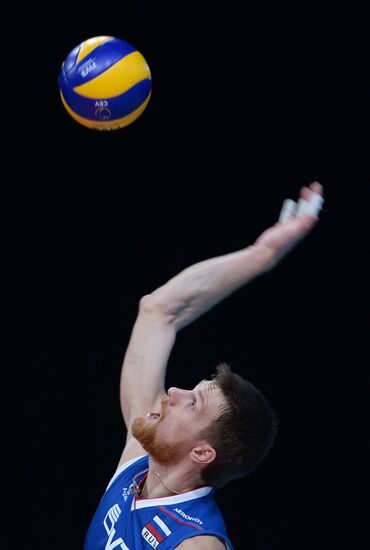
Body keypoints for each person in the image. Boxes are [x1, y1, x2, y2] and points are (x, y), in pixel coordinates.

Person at [84, 182, 324, 549]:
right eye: (191, 392)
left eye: (193, 404)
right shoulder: (138, 461)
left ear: (201, 453)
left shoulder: (196, 543)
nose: (174, 393)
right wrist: (262, 255)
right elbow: (159, 311)